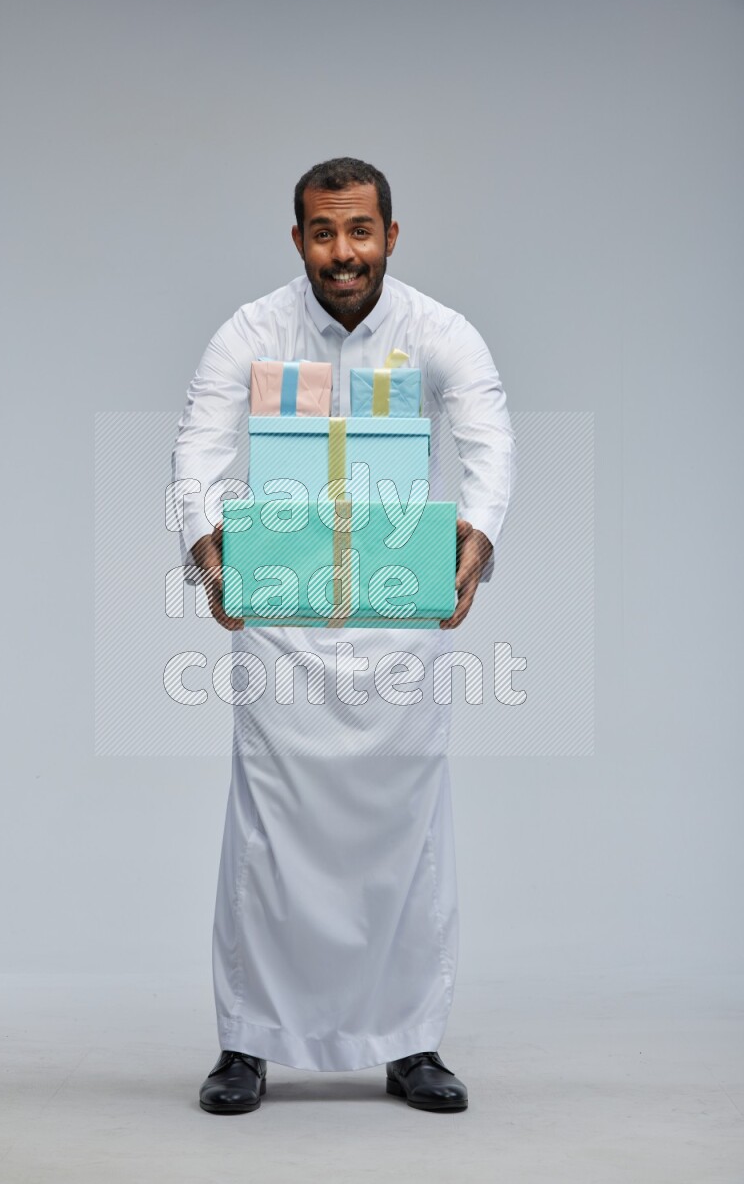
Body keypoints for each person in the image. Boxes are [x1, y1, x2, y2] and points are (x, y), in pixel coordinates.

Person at [171, 157, 516, 1114]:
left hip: (398, 614)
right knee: (268, 834)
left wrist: (479, 535)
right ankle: (247, 1041)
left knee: (408, 835)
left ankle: (411, 1045)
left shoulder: (439, 331)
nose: (343, 252)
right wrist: (206, 546)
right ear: (298, 240)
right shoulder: (253, 330)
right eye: (324, 232)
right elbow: (199, 438)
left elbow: (489, 432)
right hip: (283, 612)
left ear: (391, 237)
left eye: (360, 230)